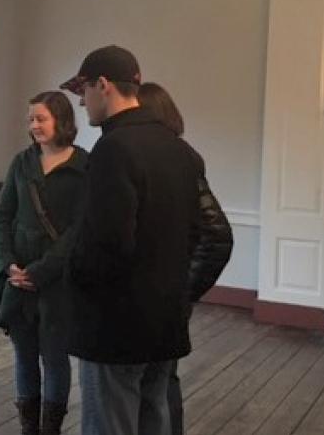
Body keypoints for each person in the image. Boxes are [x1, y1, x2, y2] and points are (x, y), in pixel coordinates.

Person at [59, 45, 202, 435]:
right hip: (165, 320)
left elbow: (106, 242)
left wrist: (76, 281)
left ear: (103, 85)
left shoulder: (114, 148)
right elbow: (194, 232)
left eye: (83, 91)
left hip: (116, 325)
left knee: (110, 424)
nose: (82, 103)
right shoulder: (177, 148)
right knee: (153, 418)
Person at [0, 91, 88, 435]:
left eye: (41, 118)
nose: (34, 125)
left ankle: (51, 430)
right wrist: (7, 263)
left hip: (58, 280)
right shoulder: (22, 163)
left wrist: (42, 271)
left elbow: (79, 230)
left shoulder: (85, 166)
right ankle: (29, 429)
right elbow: (2, 218)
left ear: (61, 120)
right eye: (31, 120)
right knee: (24, 355)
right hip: (17, 278)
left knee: (55, 358)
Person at [138, 82, 234, 435]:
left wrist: (186, 290)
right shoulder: (185, 157)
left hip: (163, 291)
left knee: (158, 380)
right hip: (168, 289)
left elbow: (216, 236)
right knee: (164, 376)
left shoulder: (177, 161)